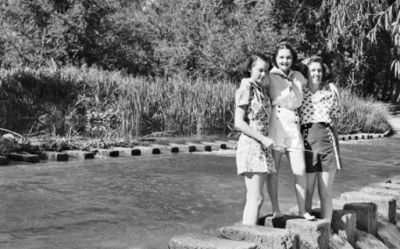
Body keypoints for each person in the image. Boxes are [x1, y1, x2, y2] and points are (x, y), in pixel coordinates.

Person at [266, 42, 315, 220]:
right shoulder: (269, 76)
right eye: (281, 57)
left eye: (288, 57)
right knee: (274, 169)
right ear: (275, 59)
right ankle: (276, 209)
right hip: (277, 121)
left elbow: (314, 83)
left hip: (294, 122)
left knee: (300, 169)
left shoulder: (299, 76)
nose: (285, 60)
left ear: (293, 59)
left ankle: (303, 210)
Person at [234, 54, 276, 225]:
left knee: (256, 197)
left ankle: (247, 235)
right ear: (250, 69)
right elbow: (238, 123)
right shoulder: (246, 87)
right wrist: (263, 139)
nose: (263, 74)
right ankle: (248, 238)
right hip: (252, 145)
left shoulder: (262, 90)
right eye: (259, 70)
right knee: (256, 198)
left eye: (266, 71)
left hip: (262, 146)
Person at [299, 55, 341, 221]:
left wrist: (337, 149)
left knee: (325, 191)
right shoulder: (300, 93)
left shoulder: (330, 94)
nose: (316, 73)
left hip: (327, 145)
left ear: (323, 73)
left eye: (319, 70)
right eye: (313, 70)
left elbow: (335, 124)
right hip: (307, 144)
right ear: (307, 73)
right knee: (308, 189)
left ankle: (326, 228)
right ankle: (306, 225)